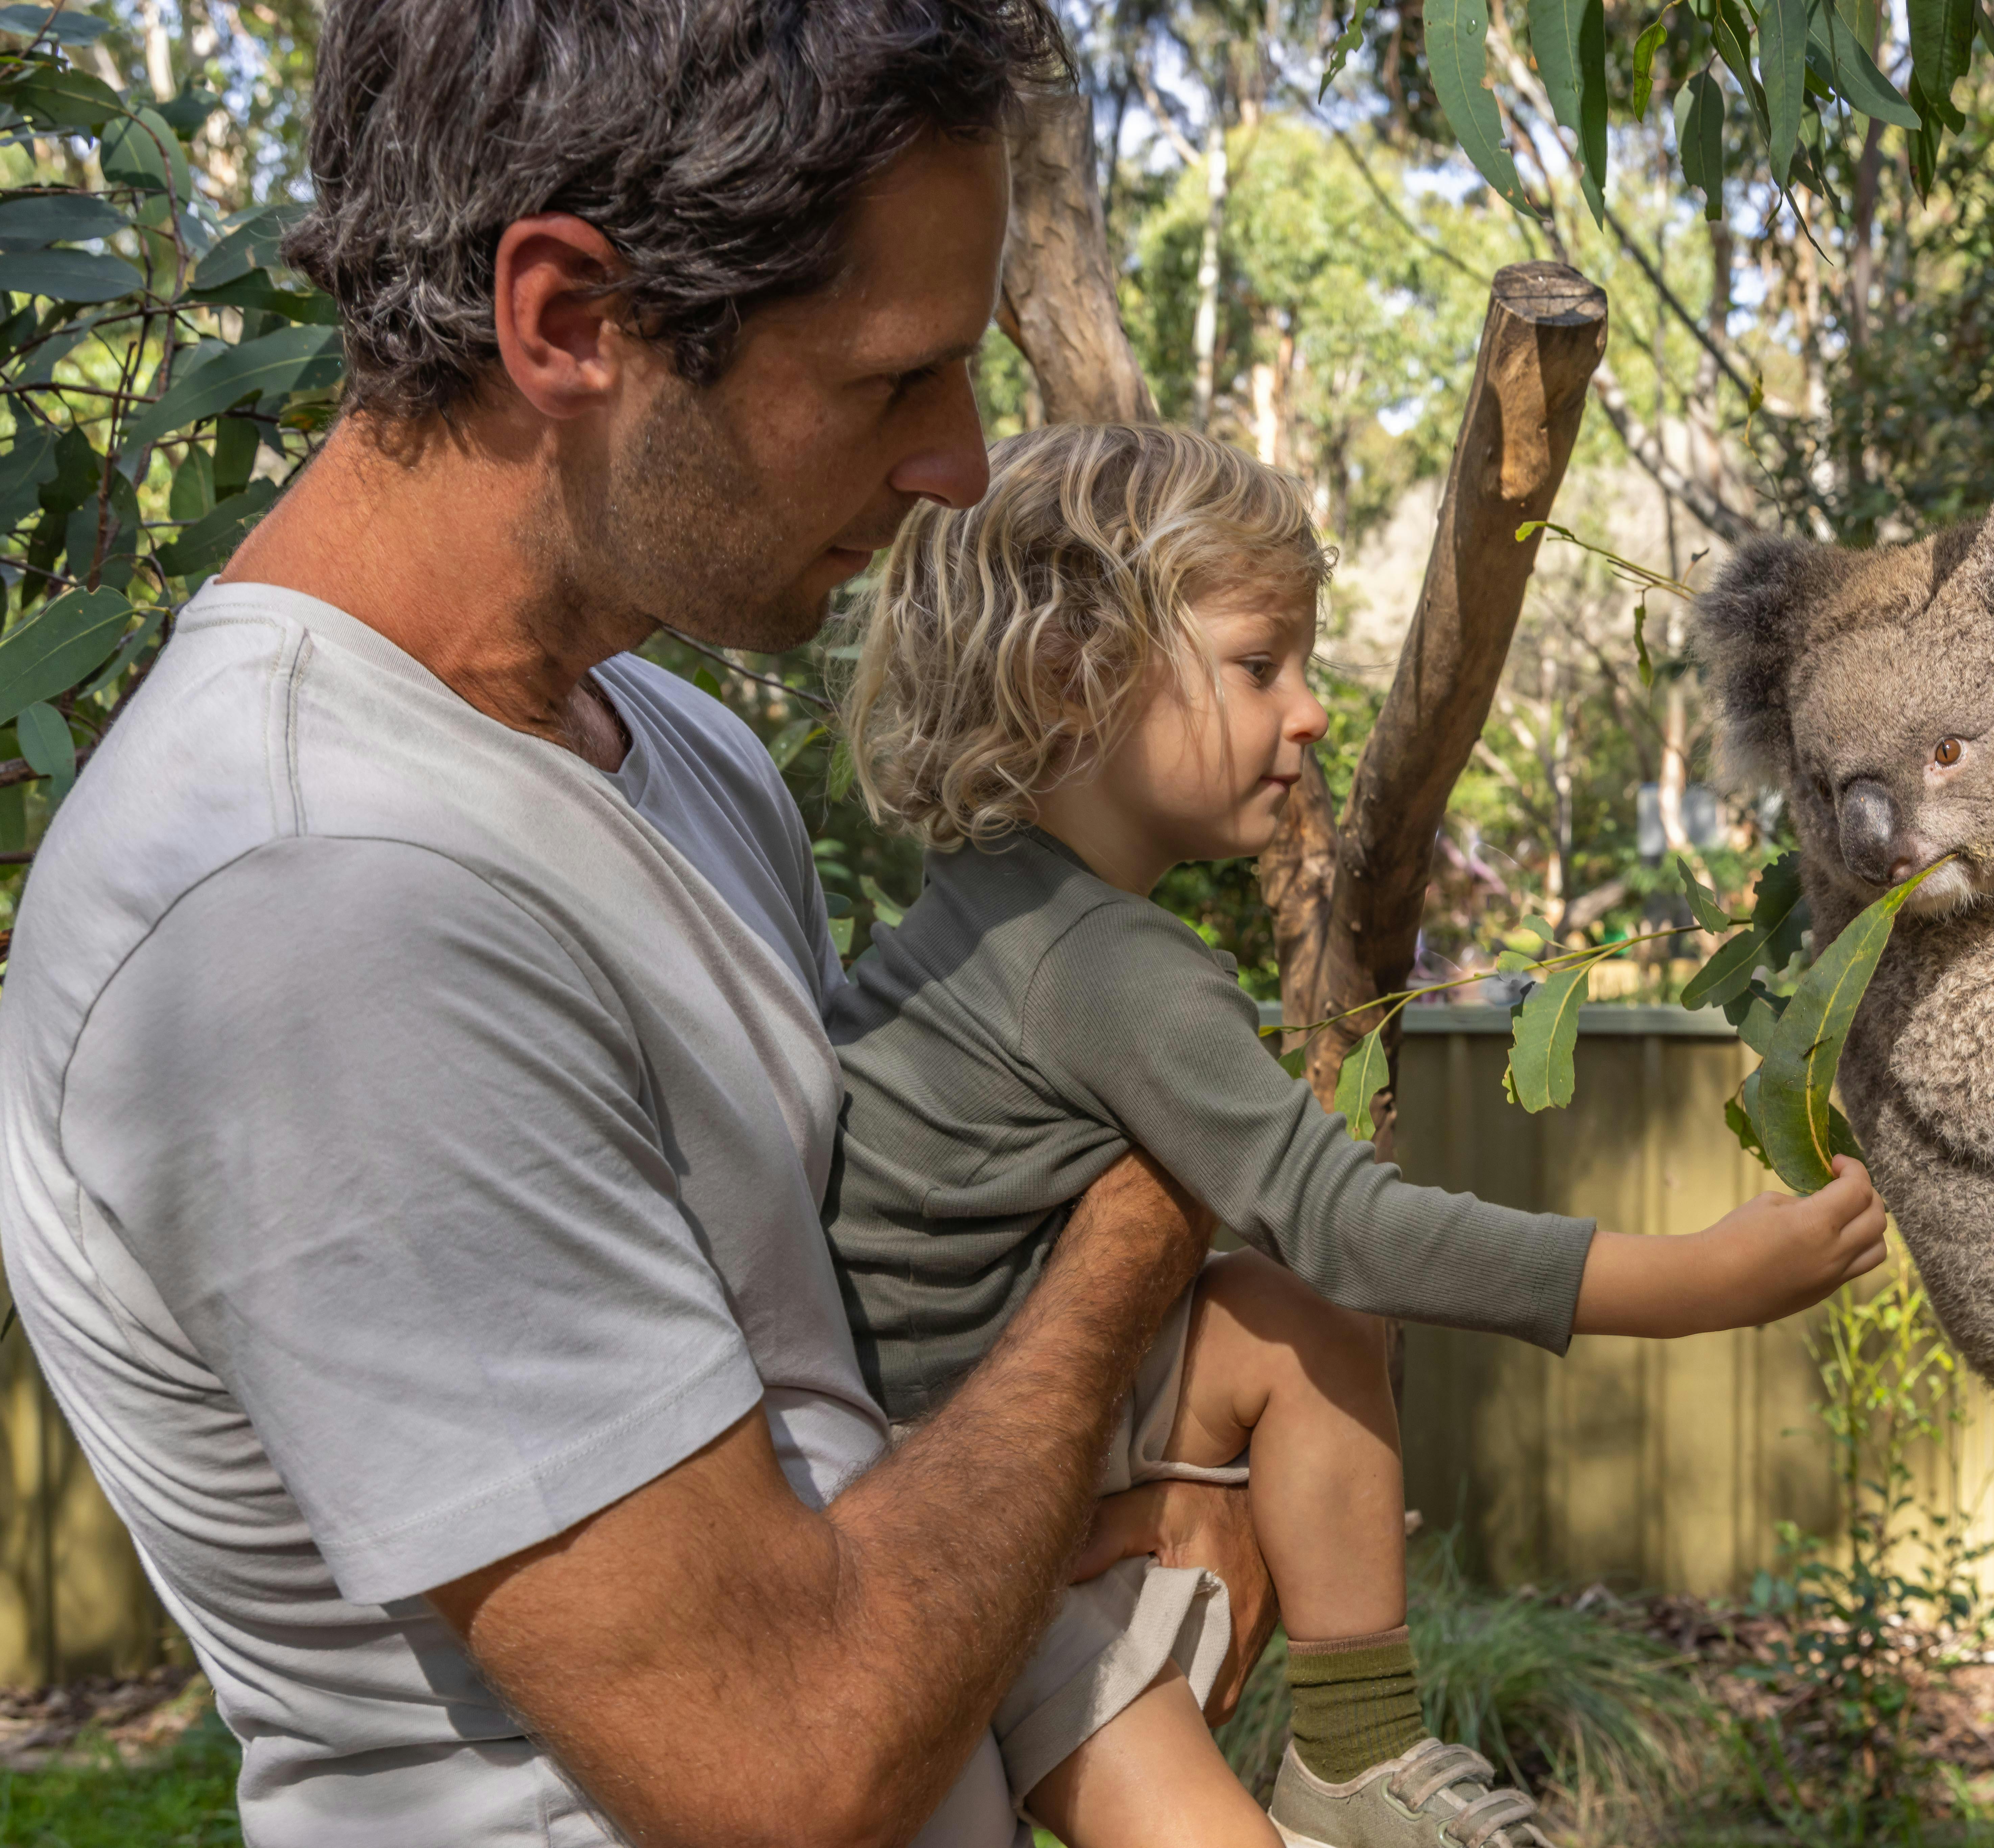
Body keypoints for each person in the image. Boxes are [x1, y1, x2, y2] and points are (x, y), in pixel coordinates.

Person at [0, 6, 1271, 1845]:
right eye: (891, 380)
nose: (963, 464)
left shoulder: (663, 743)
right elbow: (781, 1766)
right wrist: (1151, 1209)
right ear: (569, 324)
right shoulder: (311, 897)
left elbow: (830, 1390)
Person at [827, 424, 1892, 1847]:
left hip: (974, 1442)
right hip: (959, 1522)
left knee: (1289, 1323)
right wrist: (1695, 1283)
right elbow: (1355, 1222)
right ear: (1069, 675)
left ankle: (1353, 1748)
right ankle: (1341, 1759)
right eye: (1259, 665)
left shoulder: (989, 907)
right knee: (1319, 1289)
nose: (1312, 711)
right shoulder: (1101, 966)